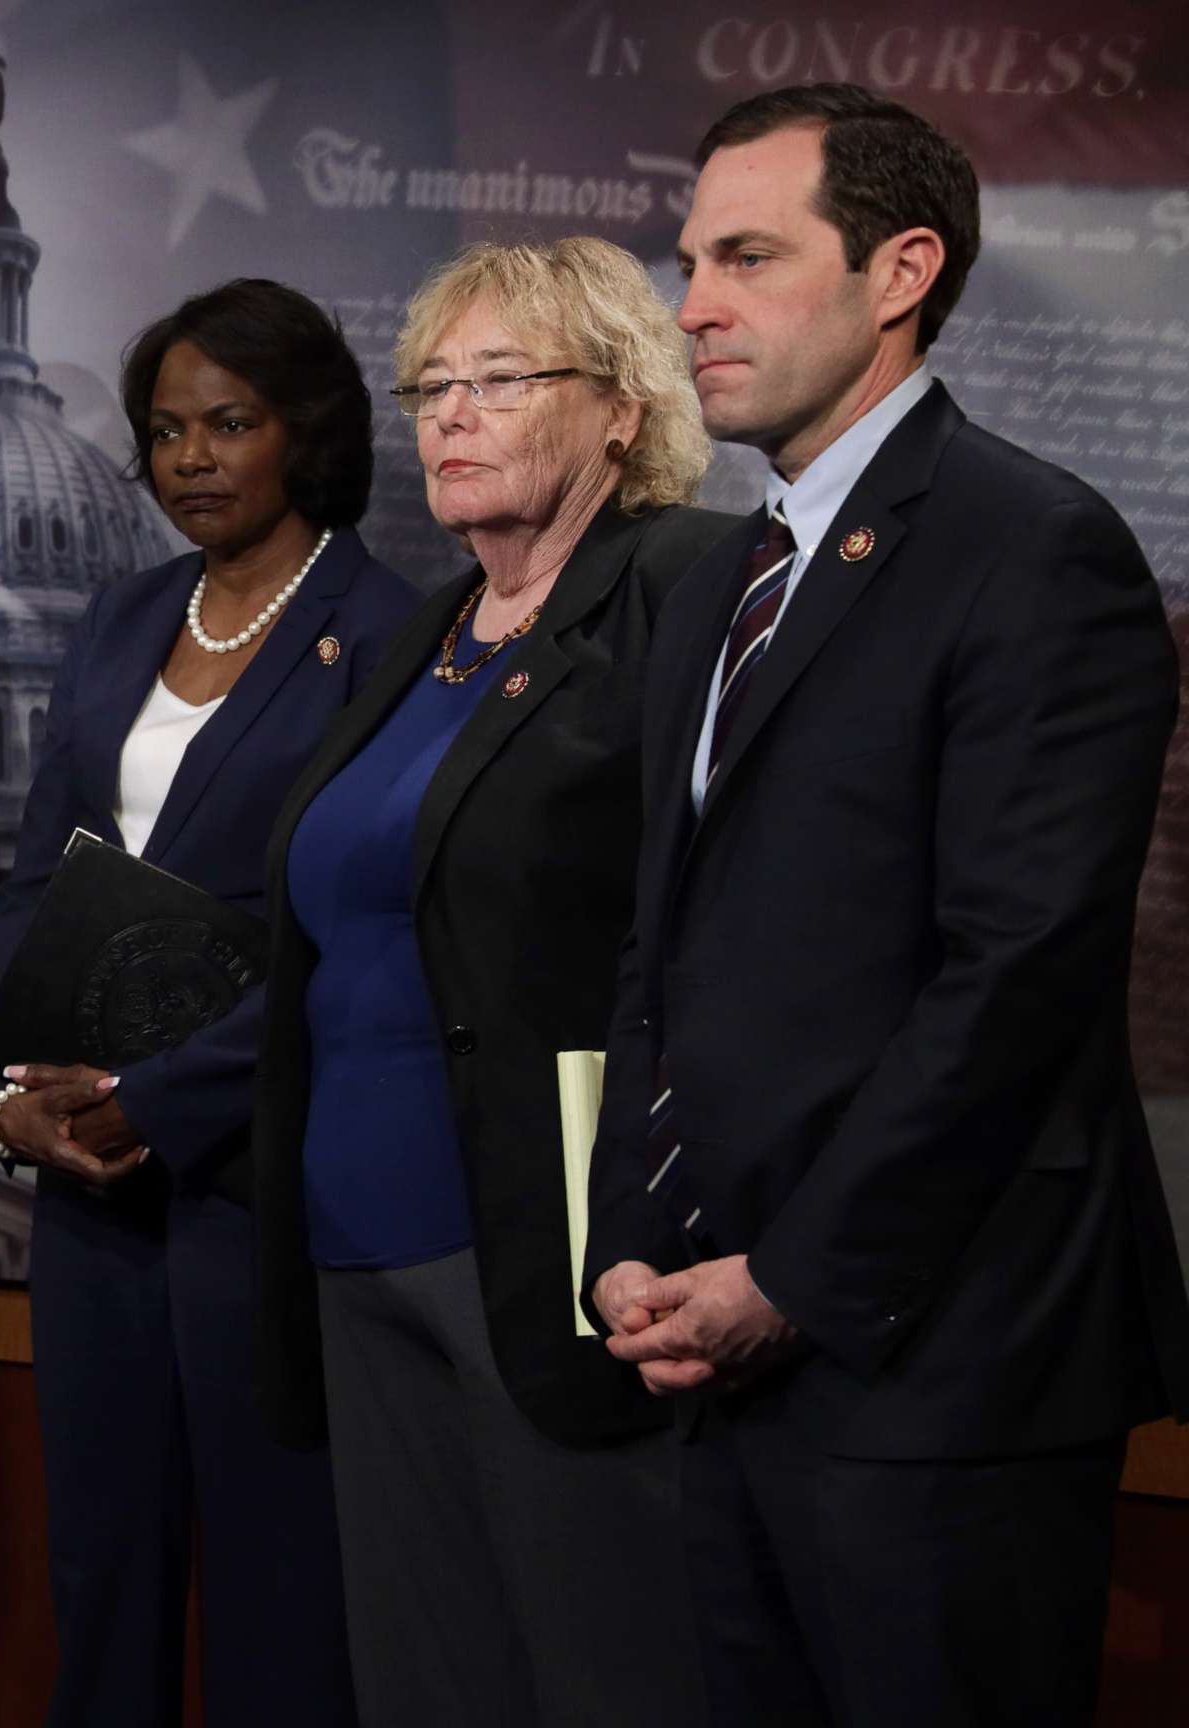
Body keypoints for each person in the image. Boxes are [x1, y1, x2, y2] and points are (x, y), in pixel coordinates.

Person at [580, 83, 1189, 1727]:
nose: (689, 301)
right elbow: (667, 936)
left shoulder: (1031, 547)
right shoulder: (712, 576)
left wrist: (786, 1273)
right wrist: (633, 1235)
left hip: (941, 1356)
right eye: (686, 256)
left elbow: (1015, 977)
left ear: (899, 267)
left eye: (747, 256)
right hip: (715, 1343)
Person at [246, 238, 732, 1726]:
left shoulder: (689, 588)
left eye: (502, 380)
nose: (449, 413)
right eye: (432, 386)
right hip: (354, 1236)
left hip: (557, 1234)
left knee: (600, 1669)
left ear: (624, 409)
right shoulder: (424, 632)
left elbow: (725, 922)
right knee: (425, 1678)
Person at [0, 278, 414, 1728]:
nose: (193, 460)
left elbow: (353, 935)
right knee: (103, 1571)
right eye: (166, 431)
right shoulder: (120, 616)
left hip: (260, 1182)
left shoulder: (393, 629)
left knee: (280, 1590)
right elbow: (39, 873)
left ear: (309, 433)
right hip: (89, 1193)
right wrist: (15, 1095)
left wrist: (158, 1104)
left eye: (230, 423)